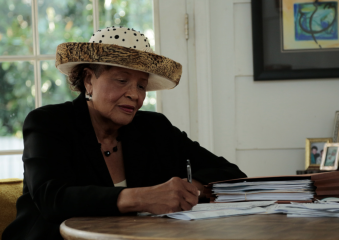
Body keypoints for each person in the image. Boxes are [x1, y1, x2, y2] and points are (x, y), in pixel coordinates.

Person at [2, 27, 246, 240]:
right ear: (88, 80)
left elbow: (231, 175)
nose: (135, 94)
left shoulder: (154, 127)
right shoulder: (49, 123)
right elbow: (52, 199)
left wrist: (190, 188)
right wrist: (144, 198)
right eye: (121, 80)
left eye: (141, 85)